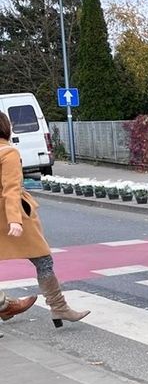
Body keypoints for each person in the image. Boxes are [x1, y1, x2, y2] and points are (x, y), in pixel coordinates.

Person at [0, 111, 88, 329]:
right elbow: (11, 189)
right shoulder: (8, 152)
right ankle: (58, 306)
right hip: (11, 214)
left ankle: (4, 306)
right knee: (43, 260)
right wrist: (15, 220)